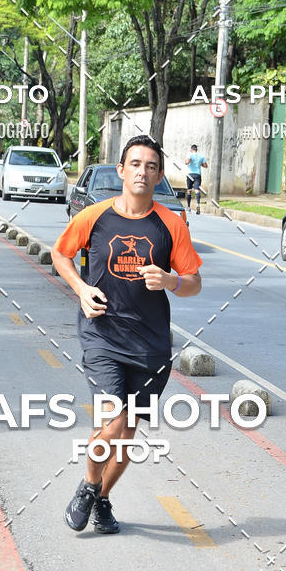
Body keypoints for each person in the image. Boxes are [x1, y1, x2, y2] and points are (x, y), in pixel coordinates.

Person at [52, 134, 202, 534]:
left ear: (158, 175)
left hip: (151, 346)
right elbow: (60, 253)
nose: (142, 171)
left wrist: (171, 280)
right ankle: (88, 486)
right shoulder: (95, 217)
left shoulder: (171, 224)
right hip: (102, 335)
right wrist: (81, 289)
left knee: (126, 436)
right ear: (121, 170)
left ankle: (101, 499)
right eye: (135, 164)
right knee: (113, 421)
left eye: (151, 166)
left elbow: (194, 283)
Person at [185, 144, 208, 215]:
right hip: (198, 174)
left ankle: (188, 207)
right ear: (196, 149)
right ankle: (198, 205)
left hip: (190, 174)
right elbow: (205, 165)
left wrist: (187, 161)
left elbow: (187, 162)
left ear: (191, 149)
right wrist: (199, 164)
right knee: (197, 190)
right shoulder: (201, 156)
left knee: (189, 190)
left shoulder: (190, 155)